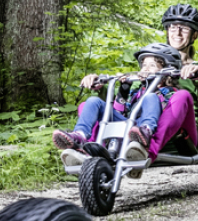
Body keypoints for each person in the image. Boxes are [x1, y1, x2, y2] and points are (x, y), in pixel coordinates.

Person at [53, 43, 182, 170]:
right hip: (127, 126)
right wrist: (123, 91)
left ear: (167, 71)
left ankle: (145, 132)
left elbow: (167, 118)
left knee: (150, 97)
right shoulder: (136, 92)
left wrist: (153, 95)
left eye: (152, 65)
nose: (146, 69)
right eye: (144, 65)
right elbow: (119, 111)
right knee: (93, 101)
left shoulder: (170, 93)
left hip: (145, 130)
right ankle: (80, 136)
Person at [149, 3, 198, 158]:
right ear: (167, 31)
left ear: (194, 35)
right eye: (173, 27)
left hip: (182, 139)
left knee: (180, 97)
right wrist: (101, 88)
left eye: (184, 28)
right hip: (147, 125)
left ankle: (149, 146)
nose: (178, 33)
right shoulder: (152, 65)